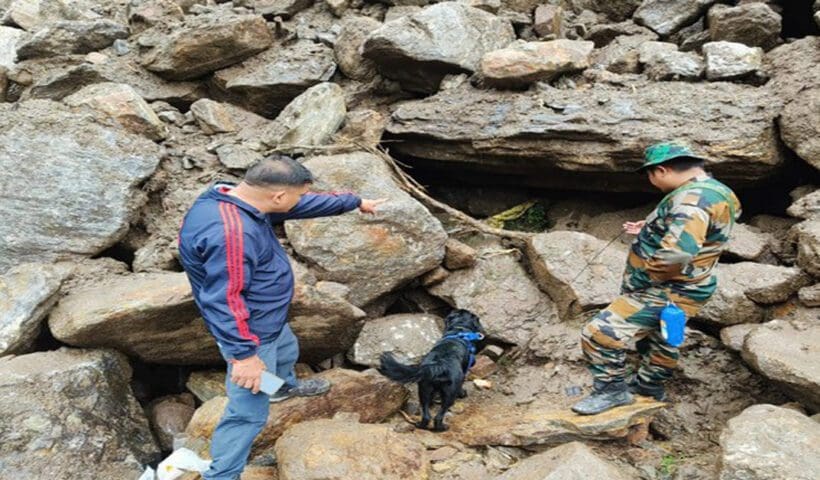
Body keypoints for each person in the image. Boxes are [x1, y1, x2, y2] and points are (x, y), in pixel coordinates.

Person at [178, 155, 386, 479]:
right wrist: (245, 356)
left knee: (287, 350)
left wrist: (354, 202)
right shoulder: (232, 233)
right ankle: (221, 474)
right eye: (297, 195)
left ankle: (281, 387)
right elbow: (223, 299)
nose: (300, 201)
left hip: (270, 320)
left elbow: (297, 206)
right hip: (251, 333)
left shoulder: (236, 198)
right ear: (277, 196)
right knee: (247, 413)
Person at [572, 142, 741, 416]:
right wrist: (652, 227)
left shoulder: (690, 200)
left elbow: (676, 255)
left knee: (598, 333)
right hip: (692, 286)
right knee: (660, 337)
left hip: (665, 287)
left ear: (660, 171)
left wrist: (642, 279)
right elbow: (702, 231)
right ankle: (649, 387)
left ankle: (611, 392)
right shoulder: (718, 192)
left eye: (649, 175)